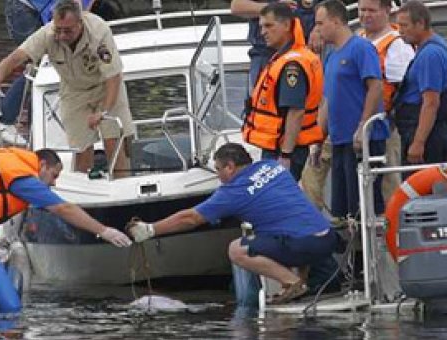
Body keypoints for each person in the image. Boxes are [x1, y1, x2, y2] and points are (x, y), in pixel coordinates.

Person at [127, 143, 340, 304]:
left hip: (303, 244)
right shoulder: (272, 166)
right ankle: (300, 281)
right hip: (327, 239)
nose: (218, 176)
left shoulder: (232, 192)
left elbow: (190, 218)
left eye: (218, 169)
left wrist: (151, 229)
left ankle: (292, 283)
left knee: (237, 249)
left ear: (230, 167)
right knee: (284, 229)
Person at [0, 0, 134, 174]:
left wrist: (103, 111)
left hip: (106, 87)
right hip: (74, 91)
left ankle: (122, 180)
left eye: (68, 31)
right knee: (80, 146)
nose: (62, 36)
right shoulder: (47, 33)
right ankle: (84, 187)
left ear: (80, 23)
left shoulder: (99, 32)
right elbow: (16, 57)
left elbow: (113, 76)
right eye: (58, 30)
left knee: (114, 142)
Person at [0, 147, 131, 261]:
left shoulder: (14, 159)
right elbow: (64, 209)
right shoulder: (24, 179)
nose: (53, 183)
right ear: (42, 165)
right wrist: (103, 230)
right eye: (53, 176)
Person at [314, 0, 387, 218]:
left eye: (320, 23)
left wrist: (363, 125)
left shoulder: (361, 48)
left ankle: (369, 249)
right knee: (343, 207)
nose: (317, 30)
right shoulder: (331, 56)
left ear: (336, 21)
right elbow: (327, 100)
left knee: (364, 203)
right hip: (339, 139)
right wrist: (317, 139)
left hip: (362, 140)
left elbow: (375, 86)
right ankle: (351, 249)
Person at [242, 3, 324, 180]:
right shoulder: (284, 57)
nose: (263, 31)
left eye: (269, 26)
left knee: (277, 203)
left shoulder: (292, 65)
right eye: (262, 26)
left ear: (287, 26)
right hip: (277, 146)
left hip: (285, 149)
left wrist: (286, 156)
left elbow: (295, 112)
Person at [1, 0, 97, 145]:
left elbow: (84, 9)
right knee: (40, 66)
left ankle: (36, 131)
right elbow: (69, 9)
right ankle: (6, 118)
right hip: (26, 9)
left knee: (43, 66)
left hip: (36, 9)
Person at [359, 0, 414, 201]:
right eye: (362, 10)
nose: (366, 15)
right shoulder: (359, 38)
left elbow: (403, 88)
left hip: (385, 124)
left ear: (387, 11)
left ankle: (393, 224)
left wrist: (391, 119)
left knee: (389, 177)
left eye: (371, 10)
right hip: (359, 124)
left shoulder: (397, 44)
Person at [231, 0, 324, 117]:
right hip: (266, 56)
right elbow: (237, 6)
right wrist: (275, 10)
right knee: (264, 110)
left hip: (305, 52)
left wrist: (318, 27)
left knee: (305, 109)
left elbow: (333, 8)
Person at [395, 0, 447, 169]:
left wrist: (418, 142)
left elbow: (431, 103)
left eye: (404, 25)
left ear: (420, 24)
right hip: (429, 130)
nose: (400, 31)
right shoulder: (440, 45)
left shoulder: (430, 55)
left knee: (418, 192)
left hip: (424, 133)